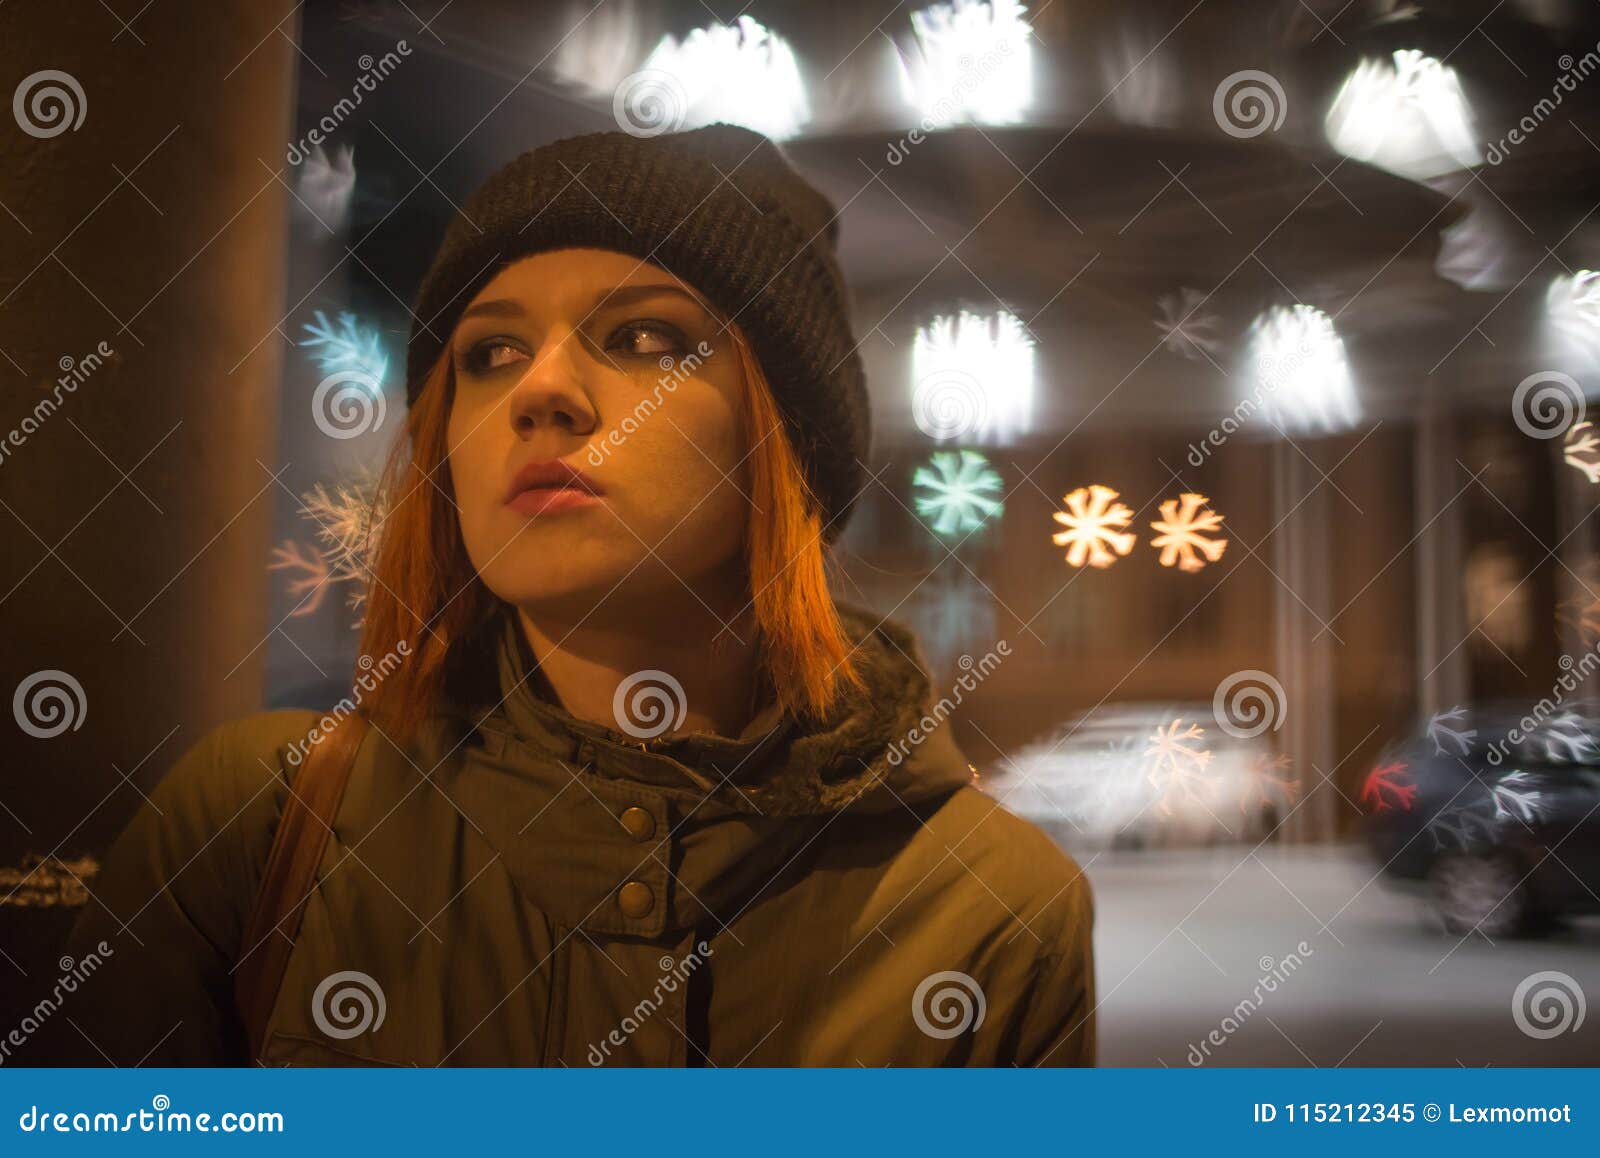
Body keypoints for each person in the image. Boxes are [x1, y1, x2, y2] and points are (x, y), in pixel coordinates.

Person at [54, 123, 1095, 1066]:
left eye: (641, 337)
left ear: (787, 445)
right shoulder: (264, 826)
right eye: (491, 352)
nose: (541, 390)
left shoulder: (993, 914)